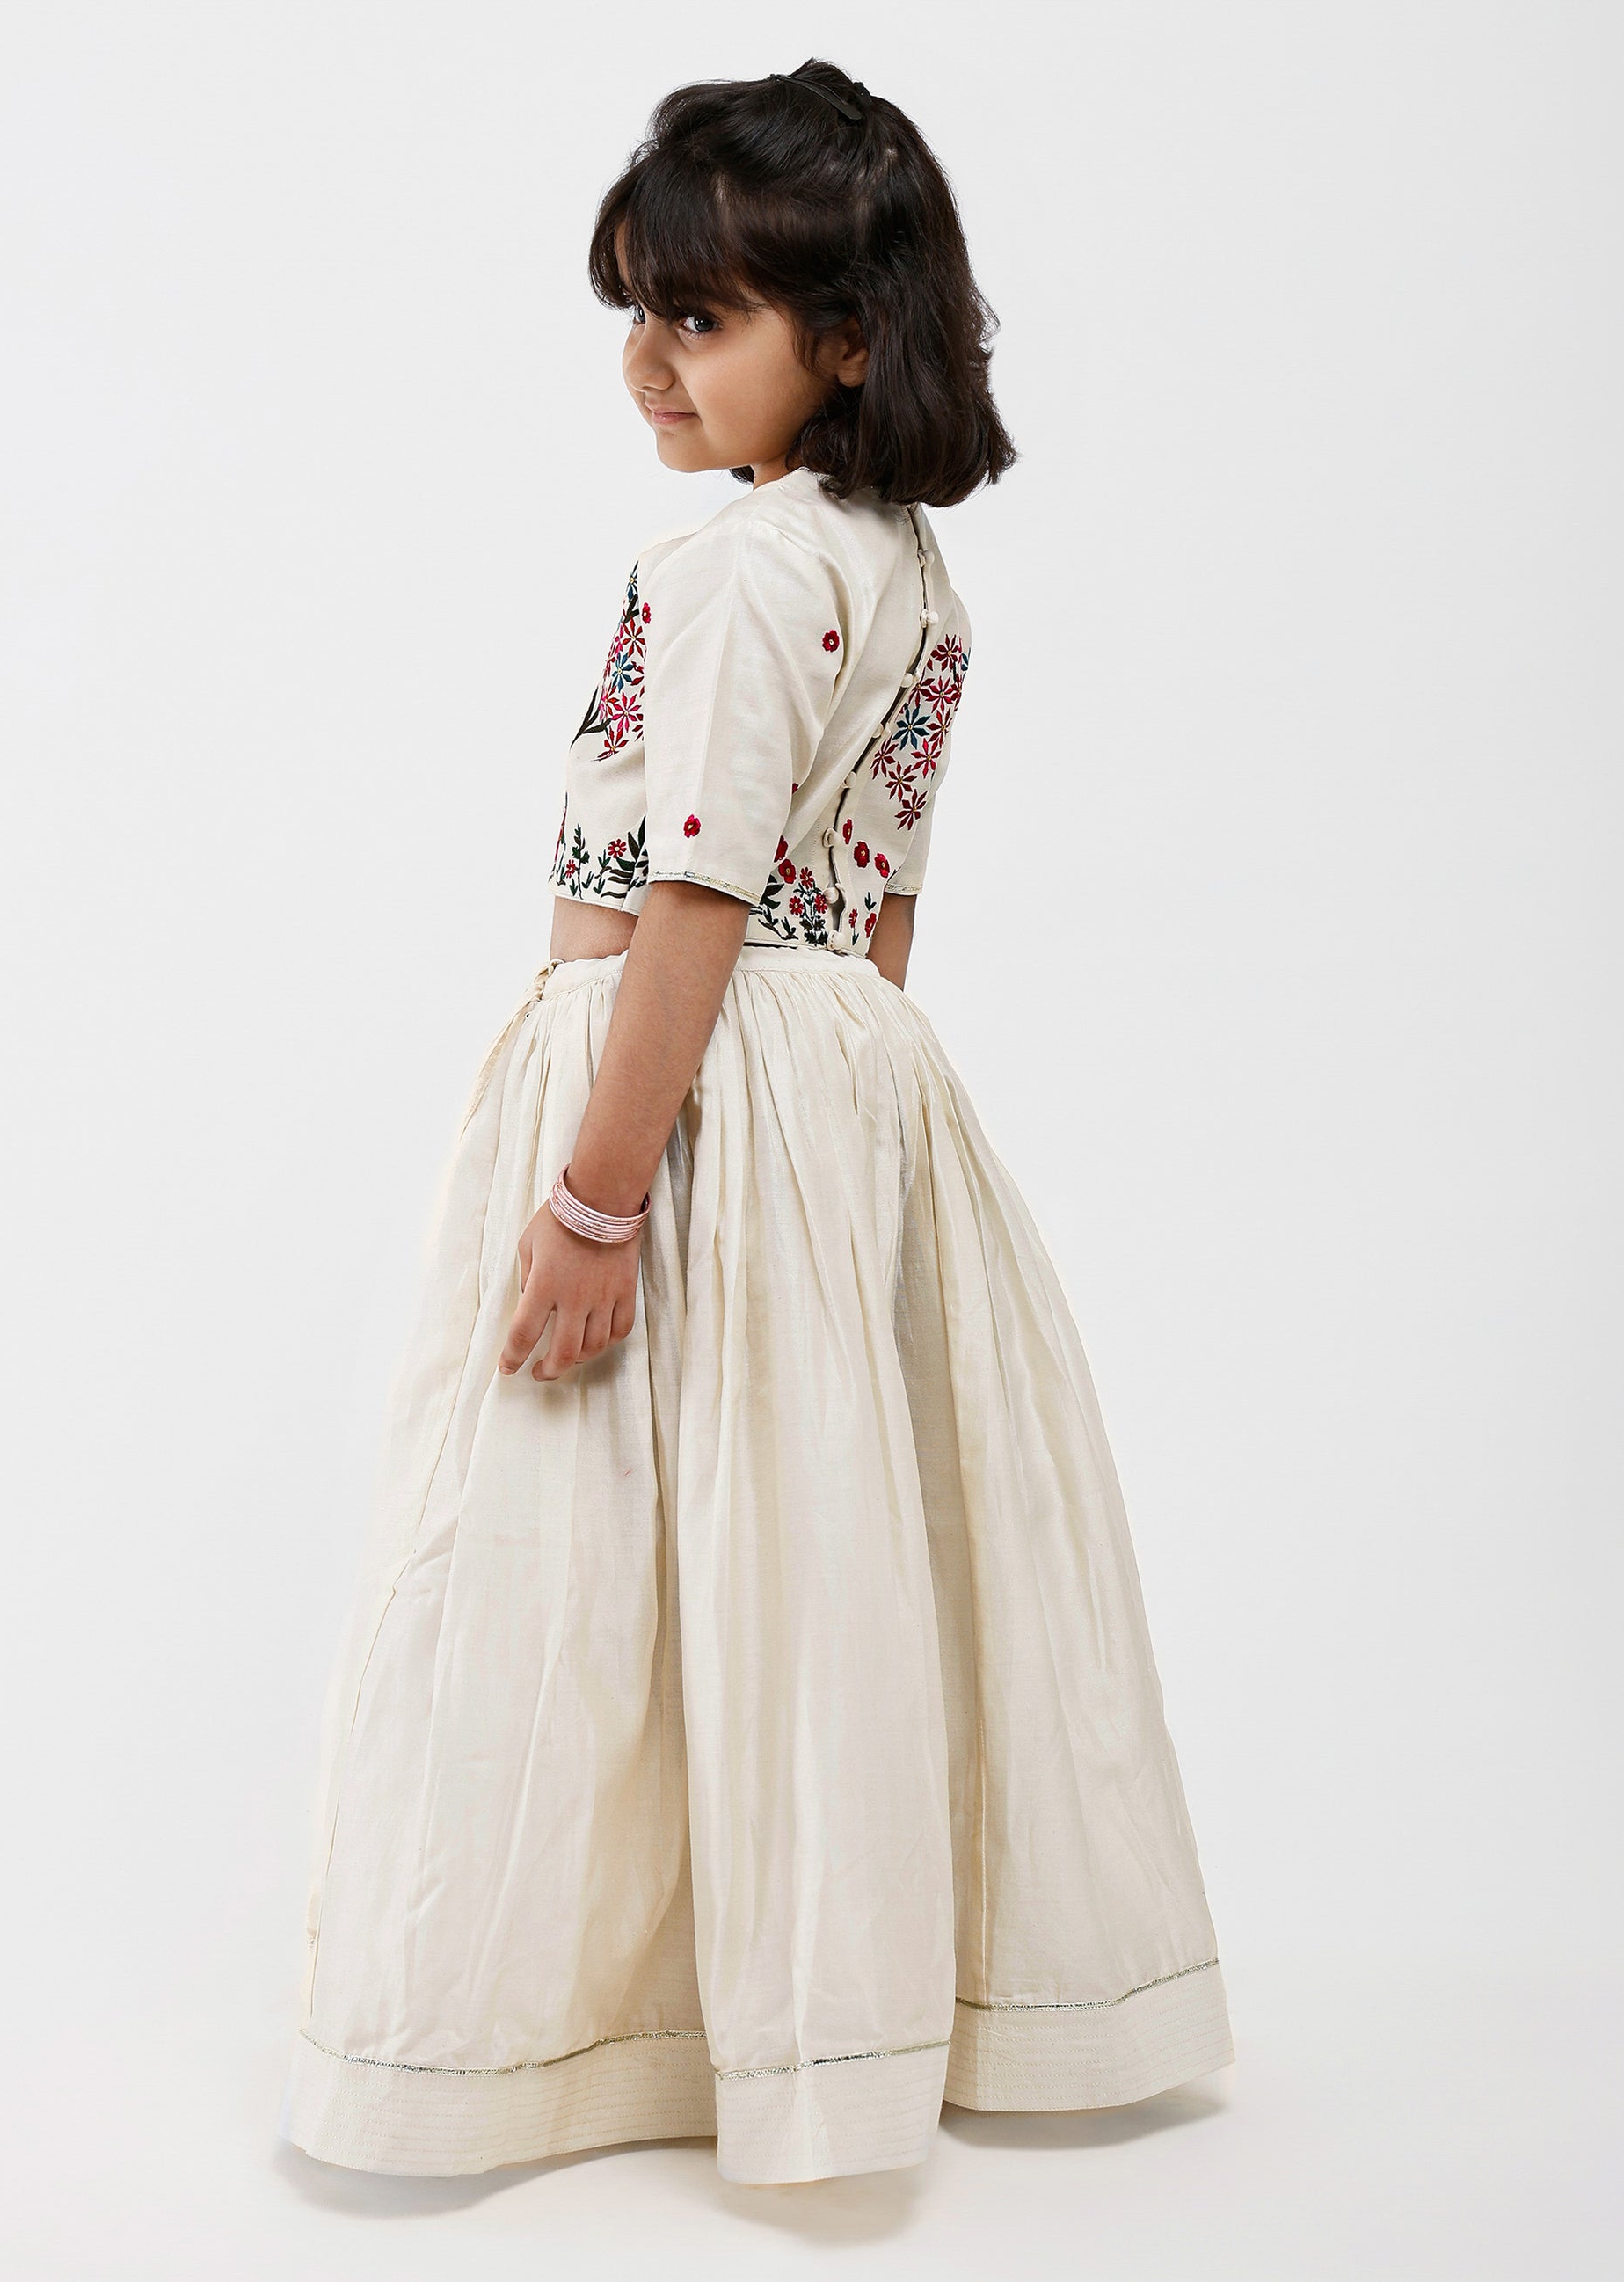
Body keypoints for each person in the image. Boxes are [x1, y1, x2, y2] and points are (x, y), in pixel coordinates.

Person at [277, 59, 1234, 2190]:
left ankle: (544, 2032)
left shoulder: (731, 572)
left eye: (699, 318)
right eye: (640, 311)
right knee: (798, 1534)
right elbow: (877, 911)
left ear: (855, 341)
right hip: (840, 1086)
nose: (648, 360)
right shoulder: (909, 576)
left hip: (676, 1082)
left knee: (571, 1537)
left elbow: (696, 894)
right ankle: (821, 2005)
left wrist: (598, 1198)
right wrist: (844, 1162)